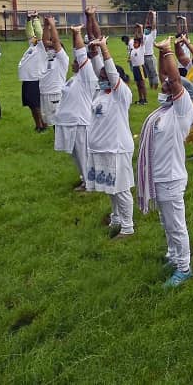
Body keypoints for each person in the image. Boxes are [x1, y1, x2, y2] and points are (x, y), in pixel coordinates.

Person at [138, 36, 193, 287]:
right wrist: (163, 57)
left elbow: (173, 79)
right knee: (166, 222)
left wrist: (167, 51)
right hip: (158, 176)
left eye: (169, 87)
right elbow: (167, 77)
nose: (164, 86)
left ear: (180, 93)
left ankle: (184, 267)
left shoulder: (183, 110)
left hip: (171, 178)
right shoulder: (165, 111)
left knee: (176, 224)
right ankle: (173, 256)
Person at [86, 36, 135, 239]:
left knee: (121, 189)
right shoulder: (101, 92)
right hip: (101, 149)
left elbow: (110, 72)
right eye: (101, 76)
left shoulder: (121, 94)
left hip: (117, 148)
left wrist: (105, 49)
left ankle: (127, 227)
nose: (102, 77)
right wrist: (94, 51)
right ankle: (115, 218)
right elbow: (101, 69)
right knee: (109, 187)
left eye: (107, 76)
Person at [54, 12, 99, 191]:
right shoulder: (74, 78)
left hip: (80, 123)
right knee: (77, 156)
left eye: (76, 61)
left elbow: (81, 54)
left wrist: (76, 34)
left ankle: (90, 184)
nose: (73, 63)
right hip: (69, 123)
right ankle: (84, 179)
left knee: (84, 155)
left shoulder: (87, 77)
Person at [18, 11, 47, 132]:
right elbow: (30, 34)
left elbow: (39, 33)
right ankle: (38, 124)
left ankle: (42, 125)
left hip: (34, 79)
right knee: (31, 105)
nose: (34, 39)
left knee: (36, 105)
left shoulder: (41, 47)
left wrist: (35, 19)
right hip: (27, 79)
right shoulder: (32, 46)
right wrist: (28, 20)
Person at [39, 16, 69, 127]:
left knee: (58, 122)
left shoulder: (62, 59)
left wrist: (52, 25)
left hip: (55, 93)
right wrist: (46, 26)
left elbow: (56, 42)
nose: (50, 48)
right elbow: (45, 42)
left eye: (54, 47)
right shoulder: (46, 56)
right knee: (49, 121)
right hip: (43, 92)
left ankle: (62, 143)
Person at [126, 24, 148, 105]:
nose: (134, 43)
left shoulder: (141, 48)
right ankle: (140, 99)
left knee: (142, 84)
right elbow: (136, 37)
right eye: (134, 42)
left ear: (139, 43)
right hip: (135, 68)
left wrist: (141, 28)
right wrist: (136, 29)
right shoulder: (133, 50)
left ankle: (145, 99)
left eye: (136, 42)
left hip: (140, 68)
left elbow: (141, 38)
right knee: (138, 85)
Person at [142, 11, 159, 89]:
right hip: (143, 57)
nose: (146, 28)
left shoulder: (152, 35)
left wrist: (154, 15)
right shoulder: (143, 35)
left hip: (150, 56)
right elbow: (146, 24)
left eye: (147, 27)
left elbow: (154, 26)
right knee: (148, 73)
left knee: (153, 72)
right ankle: (151, 85)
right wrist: (148, 16)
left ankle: (155, 85)